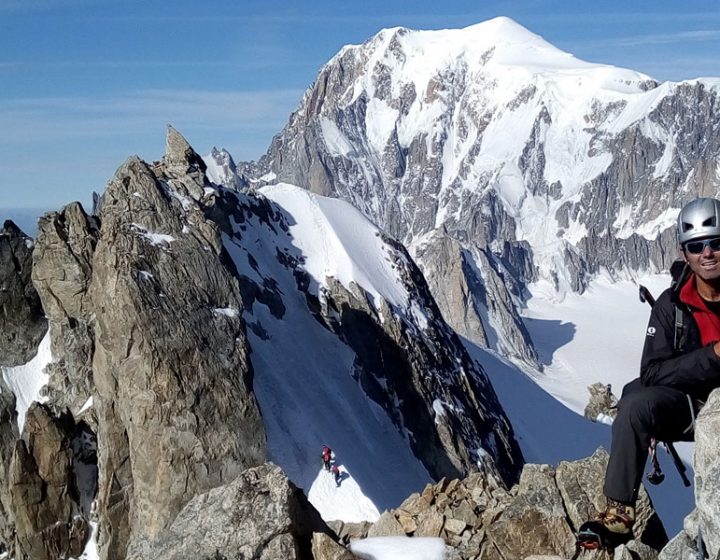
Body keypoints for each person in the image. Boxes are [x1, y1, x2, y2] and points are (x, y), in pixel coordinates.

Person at [579, 198, 720, 547]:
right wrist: (713, 357)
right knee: (635, 400)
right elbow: (653, 372)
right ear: (685, 253)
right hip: (692, 406)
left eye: (716, 243)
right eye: (697, 246)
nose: (708, 253)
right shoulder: (670, 306)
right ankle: (618, 514)